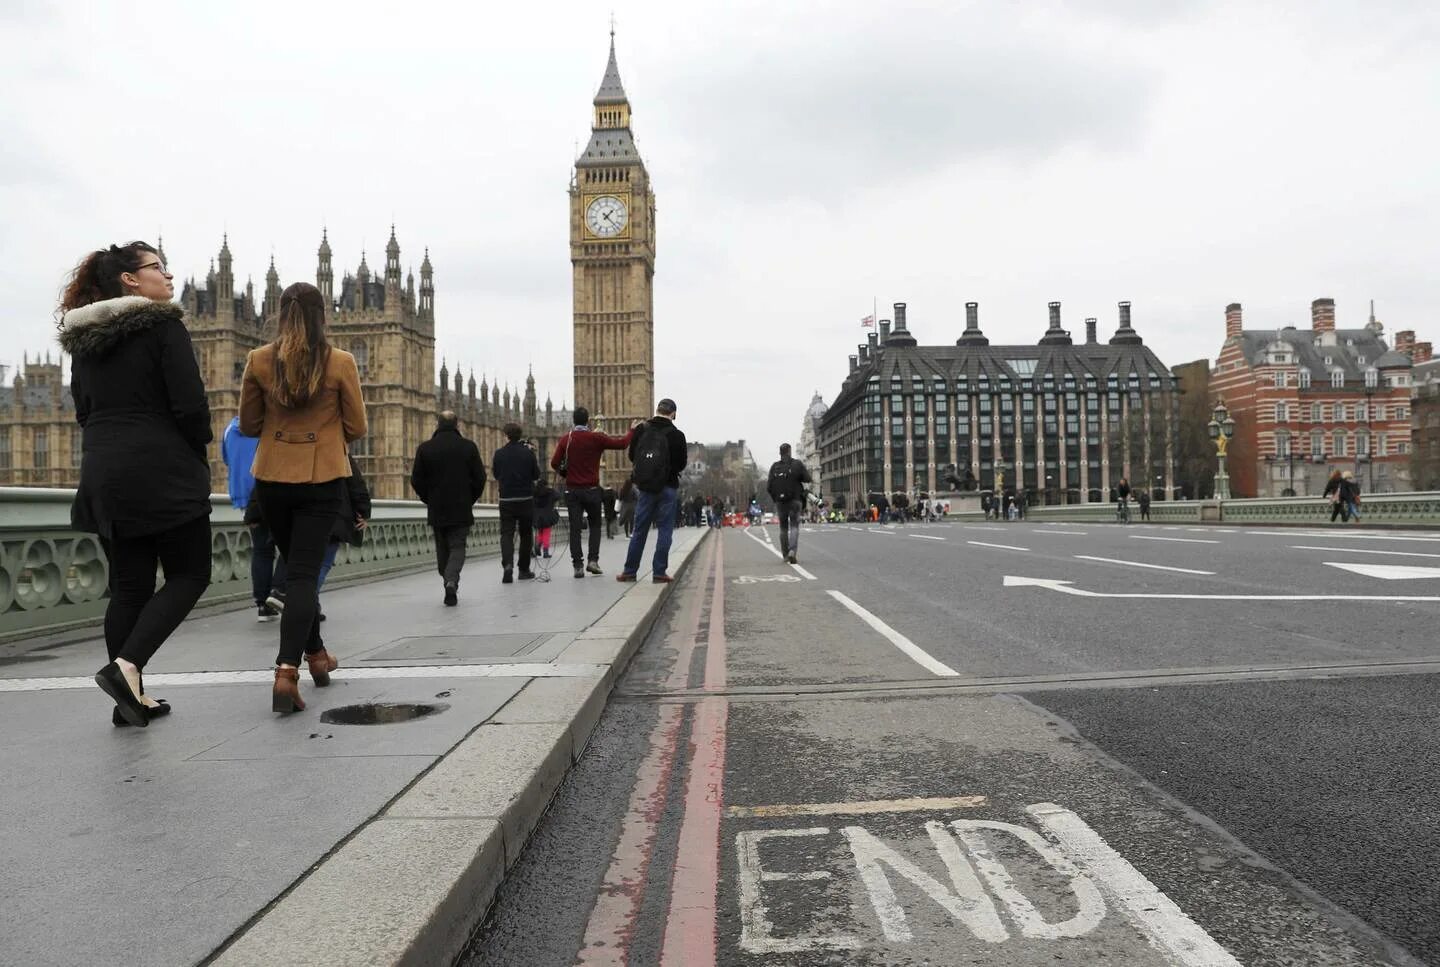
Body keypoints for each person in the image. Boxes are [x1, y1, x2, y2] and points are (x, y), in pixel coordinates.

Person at [59, 241, 211, 727]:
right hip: (161, 471)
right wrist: (195, 449)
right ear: (130, 279)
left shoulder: (84, 340)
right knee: (191, 574)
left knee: (129, 588)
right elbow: (189, 404)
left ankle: (129, 700)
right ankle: (126, 668)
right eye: (158, 268)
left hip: (104, 472)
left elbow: (83, 410)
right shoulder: (163, 324)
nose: (169, 278)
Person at [240, 281, 366, 714]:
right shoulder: (340, 363)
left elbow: (249, 424)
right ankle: (286, 672)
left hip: (272, 478)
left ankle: (316, 655)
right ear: (322, 316)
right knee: (302, 578)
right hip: (321, 479)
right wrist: (324, 435)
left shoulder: (257, 360)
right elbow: (358, 426)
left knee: (296, 572)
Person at [411, 410, 488, 605]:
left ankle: (448, 579)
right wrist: (469, 498)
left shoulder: (425, 448)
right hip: (461, 507)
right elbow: (480, 478)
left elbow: (416, 480)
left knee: (442, 549)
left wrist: (429, 498)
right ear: (457, 425)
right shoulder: (468, 447)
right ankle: (451, 580)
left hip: (437, 508)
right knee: (457, 546)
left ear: (437, 424)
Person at [551, 406, 635, 579]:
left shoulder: (567, 439)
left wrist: (565, 472)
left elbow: (554, 463)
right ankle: (593, 561)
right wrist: (631, 430)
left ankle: (577, 566)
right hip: (591, 490)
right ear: (588, 420)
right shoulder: (596, 438)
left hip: (572, 491)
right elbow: (622, 444)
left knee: (575, 529)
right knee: (595, 526)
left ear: (574, 420)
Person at [617, 398, 688, 583]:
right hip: (668, 487)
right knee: (665, 530)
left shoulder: (642, 429)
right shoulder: (677, 435)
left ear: (657, 410)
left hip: (646, 488)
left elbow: (633, 456)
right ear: (673, 413)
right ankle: (659, 572)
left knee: (639, 530)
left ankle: (629, 571)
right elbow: (681, 464)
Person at [223, 416, 282, 622]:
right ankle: (278, 593)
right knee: (290, 546)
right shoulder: (269, 424)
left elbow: (227, 459)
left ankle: (262, 605)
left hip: (245, 498)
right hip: (271, 490)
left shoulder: (229, 429)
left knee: (261, 551)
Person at [492, 422, 539, 584]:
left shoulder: (499, 454)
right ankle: (524, 570)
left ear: (506, 435)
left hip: (506, 499)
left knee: (506, 534)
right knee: (526, 535)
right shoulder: (528, 453)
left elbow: (496, 474)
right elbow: (536, 475)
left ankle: (508, 565)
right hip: (525, 499)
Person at [766, 443, 813, 564]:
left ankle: (785, 555)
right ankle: (792, 551)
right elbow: (808, 478)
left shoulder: (774, 467)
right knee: (794, 526)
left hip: (780, 502)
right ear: (790, 451)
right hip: (795, 500)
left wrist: (776, 499)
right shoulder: (797, 464)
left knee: (783, 528)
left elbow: (769, 487)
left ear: (780, 453)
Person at [533, 475, 560, 560]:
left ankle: (537, 545)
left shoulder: (534, 492)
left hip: (537, 516)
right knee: (546, 534)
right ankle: (545, 551)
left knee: (540, 532)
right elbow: (558, 496)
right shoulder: (550, 492)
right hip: (547, 516)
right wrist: (551, 489)